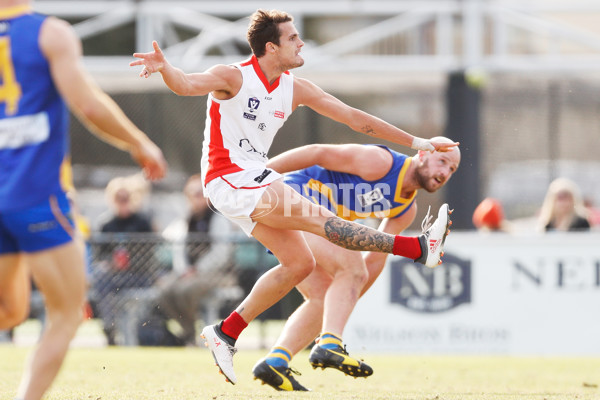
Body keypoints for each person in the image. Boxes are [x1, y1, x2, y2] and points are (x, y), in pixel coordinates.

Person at [130, 9, 457, 385]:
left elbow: (354, 118)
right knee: (326, 225)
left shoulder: (295, 86)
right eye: (293, 38)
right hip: (231, 181)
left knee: (300, 264)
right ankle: (417, 250)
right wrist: (165, 68)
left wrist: (418, 142)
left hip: (253, 180)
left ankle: (226, 332)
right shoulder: (233, 76)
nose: (301, 43)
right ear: (271, 47)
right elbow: (187, 84)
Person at [0, 2, 167, 400]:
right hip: (35, 195)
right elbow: (88, 105)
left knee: (11, 311)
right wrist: (139, 143)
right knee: (67, 312)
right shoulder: (48, 33)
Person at [249, 140, 460, 390]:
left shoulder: (405, 210)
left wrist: (346, 299)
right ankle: (329, 343)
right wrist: (259, 175)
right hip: (292, 198)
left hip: (307, 220)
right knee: (350, 269)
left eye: (452, 170)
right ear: (423, 154)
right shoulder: (381, 162)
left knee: (324, 296)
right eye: (442, 162)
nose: (444, 173)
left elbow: (375, 259)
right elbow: (318, 152)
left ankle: (276, 362)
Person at [155, 174, 234, 346]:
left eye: (200, 193)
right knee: (165, 290)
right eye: (192, 193)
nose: (195, 198)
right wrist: (185, 270)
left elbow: (221, 253)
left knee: (185, 291)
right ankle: (188, 330)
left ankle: (192, 333)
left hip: (217, 274)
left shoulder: (218, 217)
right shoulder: (187, 218)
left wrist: (197, 269)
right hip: (189, 273)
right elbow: (180, 248)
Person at [93, 175, 157, 345]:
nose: (122, 202)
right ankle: (109, 325)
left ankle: (110, 325)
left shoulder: (142, 223)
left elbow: (149, 258)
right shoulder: (106, 224)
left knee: (104, 280)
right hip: (113, 277)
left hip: (138, 275)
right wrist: (112, 263)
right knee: (101, 276)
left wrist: (128, 262)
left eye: (125, 198)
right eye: (118, 198)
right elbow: (98, 256)